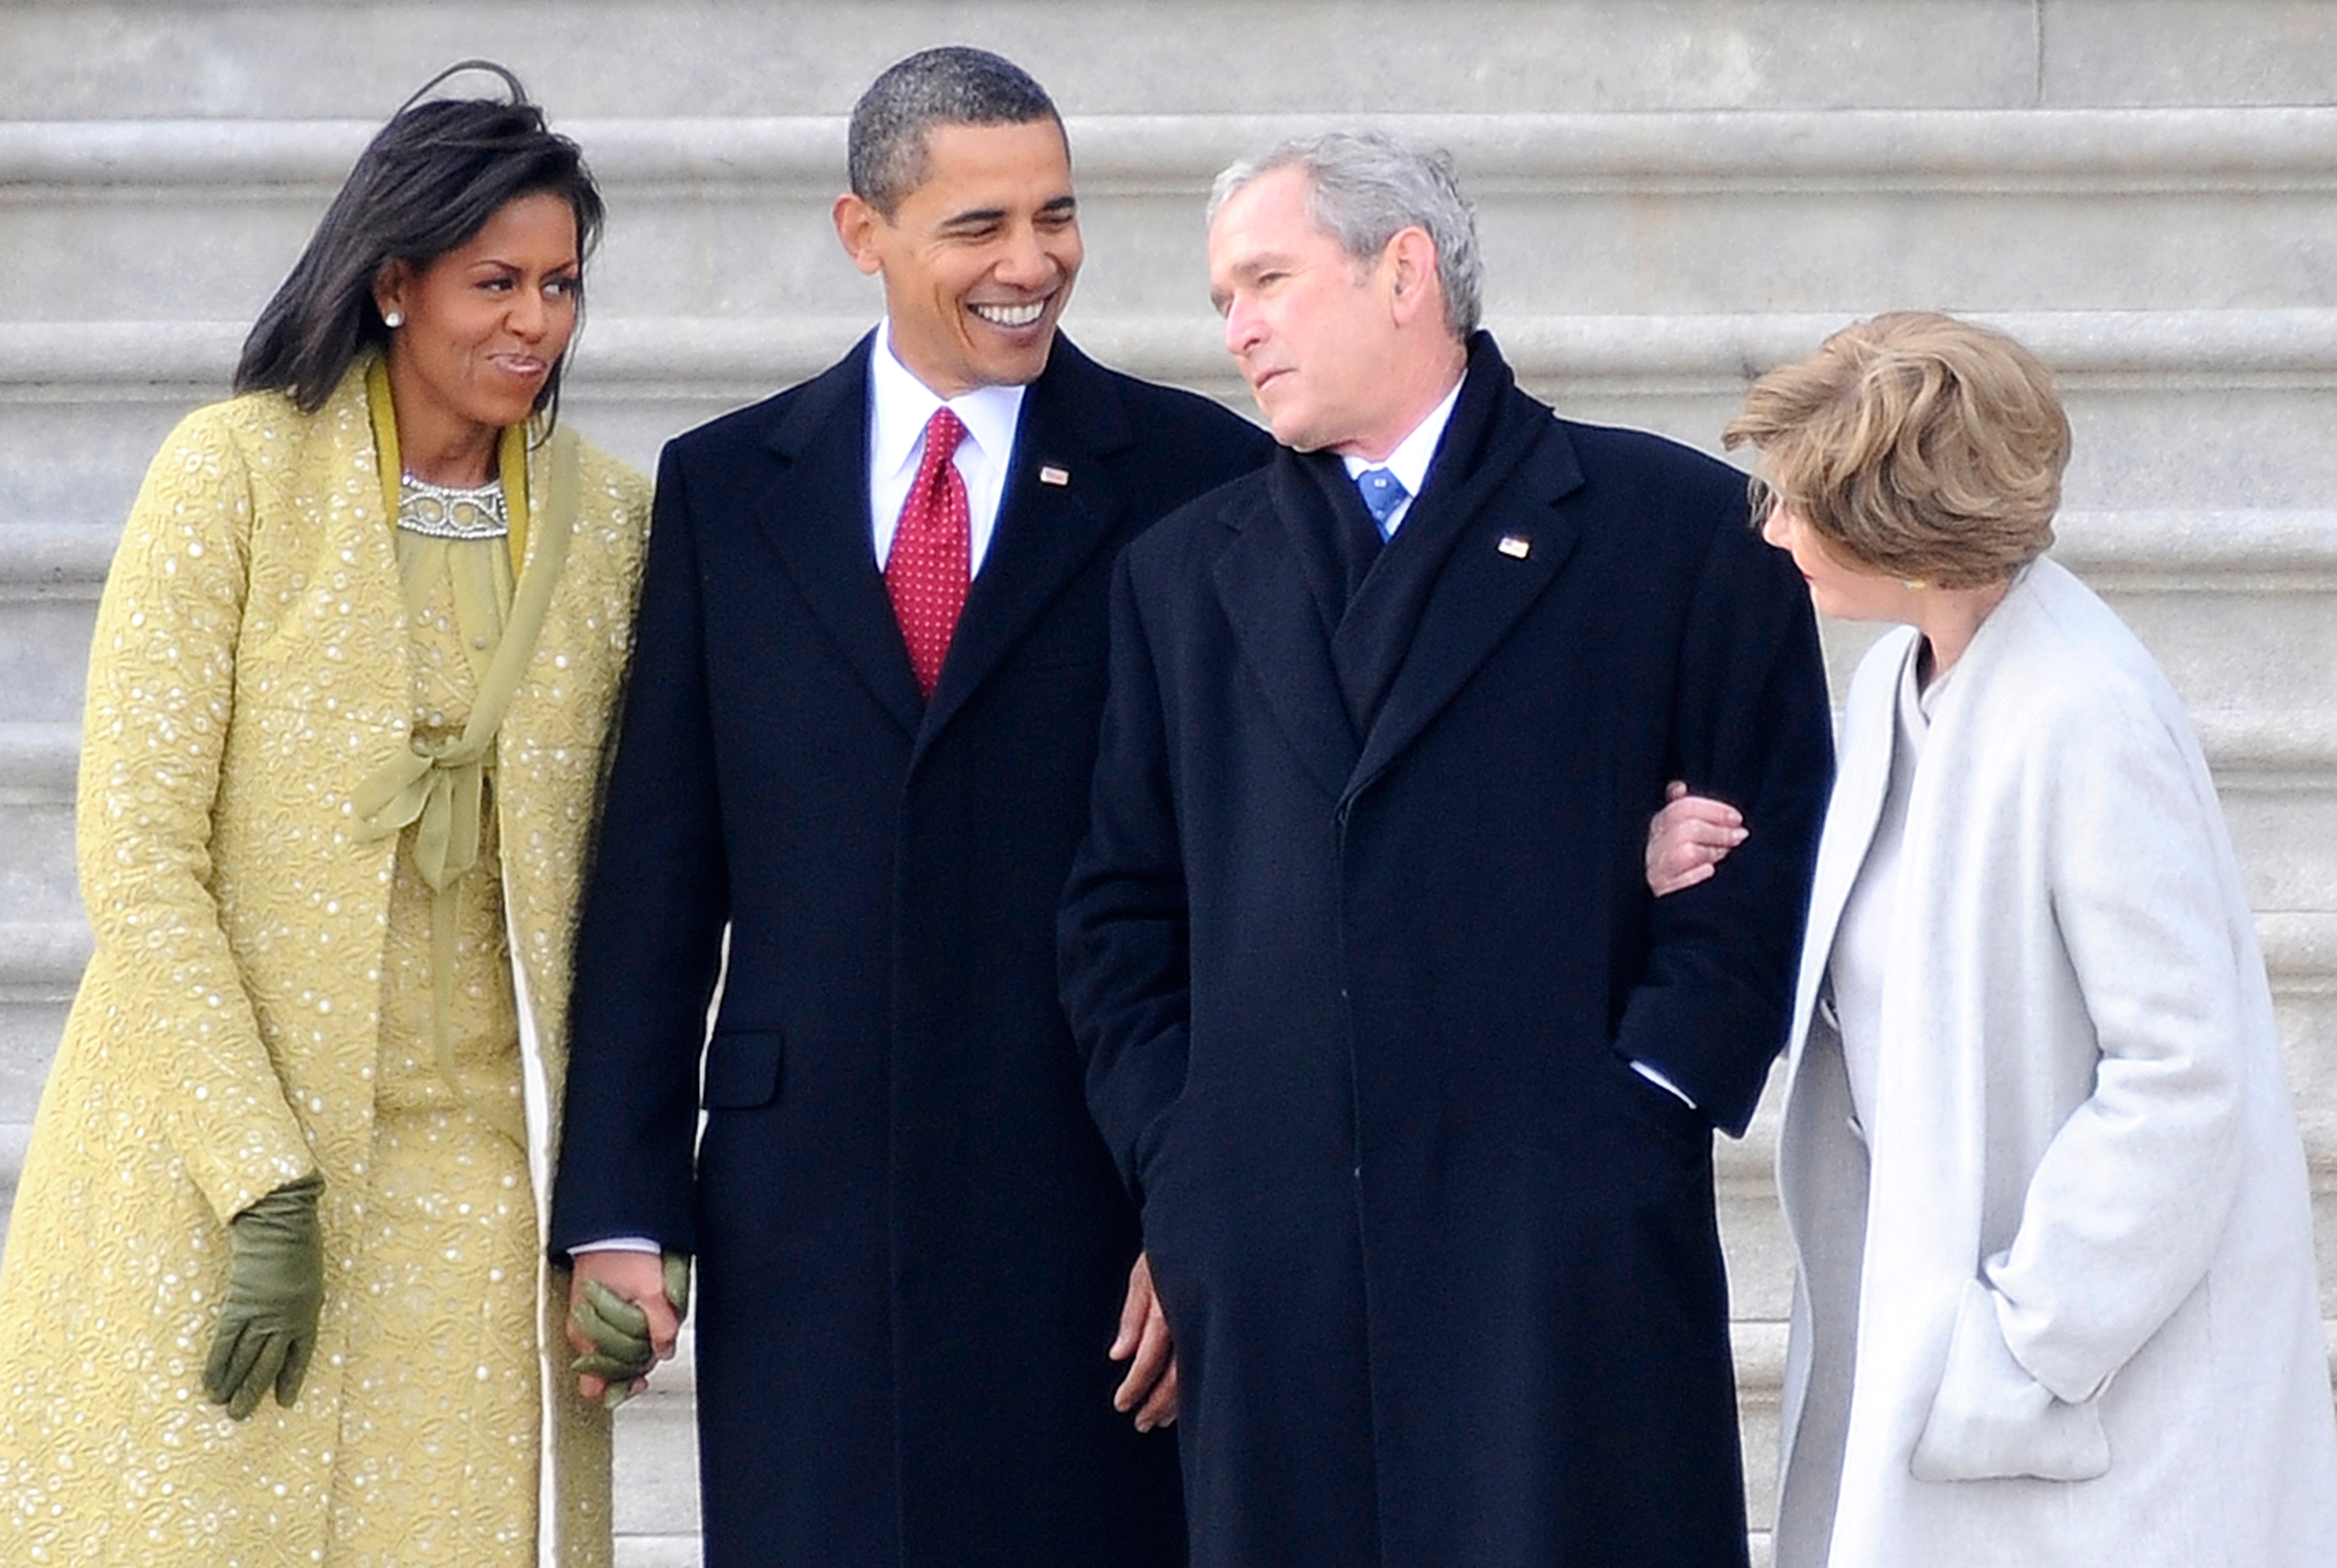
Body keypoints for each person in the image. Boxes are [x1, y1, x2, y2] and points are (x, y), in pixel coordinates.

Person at [1058, 129, 1834, 1568]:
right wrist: (1189, 1165)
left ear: (1404, 271)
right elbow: (1120, 911)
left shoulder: (1675, 530)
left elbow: (1769, 836)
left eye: (1268, 280)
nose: (1236, 327)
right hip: (1279, 1265)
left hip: (1559, 1258)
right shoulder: (1180, 574)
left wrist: (1647, 1098)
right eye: (1225, 296)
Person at [545, 46, 1273, 1568]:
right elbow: (659, 880)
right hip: (807, 1209)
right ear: (862, 231)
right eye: (980, 226)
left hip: (1091, 1195)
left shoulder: (1199, 475)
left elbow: (1256, 878)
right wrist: (619, 1194)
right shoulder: (727, 484)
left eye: (1056, 216)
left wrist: (1210, 1202)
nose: (1033, 264)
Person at [0, 63, 652, 1567]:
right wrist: (259, 1180)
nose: (533, 322)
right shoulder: (230, 475)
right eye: (495, 281)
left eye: (560, 284)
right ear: (391, 283)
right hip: (218, 1161)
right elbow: (141, 856)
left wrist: (628, 1192)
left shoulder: (612, 523)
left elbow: (645, 880)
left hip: (488, 1186)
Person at [1676, 311, 2337, 1566]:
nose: (1770, 532)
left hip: (2085, 1395)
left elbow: (2183, 1076)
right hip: (1944, 1343)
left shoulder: (2085, 714)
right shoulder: (1894, 686)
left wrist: (2024, 1342)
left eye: (1805, 505)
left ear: (1906, 525)